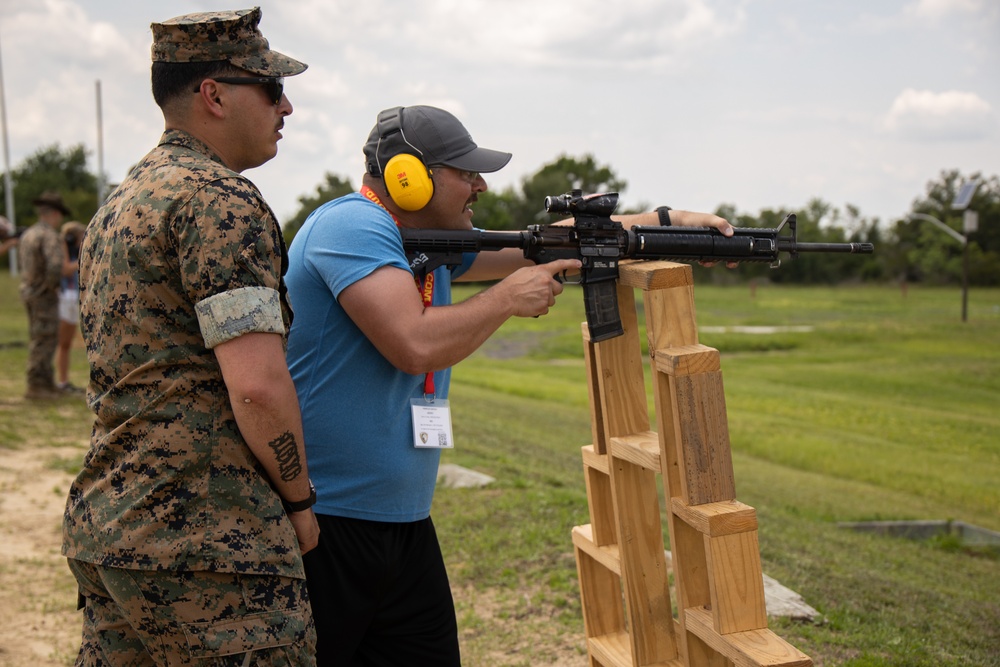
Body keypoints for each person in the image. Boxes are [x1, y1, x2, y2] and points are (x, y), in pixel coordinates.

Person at [284, 104, 735, 665]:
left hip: (402, 522)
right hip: (328, 525)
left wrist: (668, 223)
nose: (479, 185)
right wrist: (504, 298)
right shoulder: (351, 224)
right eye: (465, 171)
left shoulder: (427, 240)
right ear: (408, 175)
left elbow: (544, 243)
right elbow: (413, 344)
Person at [62, 8, 319, 665]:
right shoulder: (220, 202)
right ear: (214, 94)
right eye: (270, 87)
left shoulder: (119, 205)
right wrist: (299, 501)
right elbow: (258, 386)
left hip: (109, 529)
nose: (285, 105)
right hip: (207, 543)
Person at [18, 191, 71, 400]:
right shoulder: (48, 235)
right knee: (46, 338)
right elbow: (55, 265)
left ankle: (46, 382)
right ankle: (38, 385)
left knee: (38, 336)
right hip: (44, 294)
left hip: (29, 291)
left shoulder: (29, 234)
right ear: (56, 213)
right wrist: (53, 286)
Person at [55, 220, 86, 393]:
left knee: (66, 343)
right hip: (65, 297)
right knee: (64, 343)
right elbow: (65, 269)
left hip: (73, 298)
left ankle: (64, 381)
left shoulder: (74, 251)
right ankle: (62, 380)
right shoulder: (63, 247)